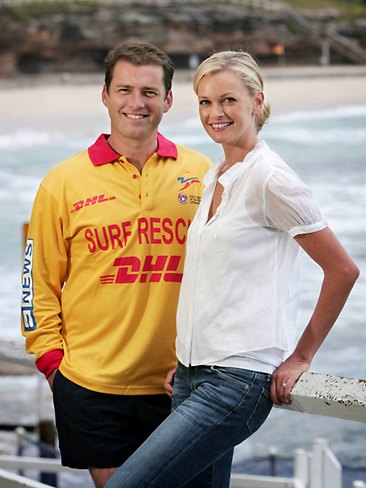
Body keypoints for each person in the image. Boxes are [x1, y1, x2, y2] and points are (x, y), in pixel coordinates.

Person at [105, 50, 360, 488]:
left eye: (228, 100)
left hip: (236, 383)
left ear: (256, 101)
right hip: (190, 376)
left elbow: (342, 270)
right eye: (204, 101)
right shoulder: (216, 176)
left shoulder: (271, 178)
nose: (215, 113)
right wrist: (189, 355)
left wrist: (301, 356)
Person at [20, 41, 211, 488]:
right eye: (124, 89)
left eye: (149, 92)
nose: (136, 103)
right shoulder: (63, 182)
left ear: (167, 100)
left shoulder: (202, 172)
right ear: (105, 95)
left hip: (178, 385)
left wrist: (206, 358)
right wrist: (52, 364)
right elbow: (37, 283)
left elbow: (223, 276)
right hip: (92, 386)